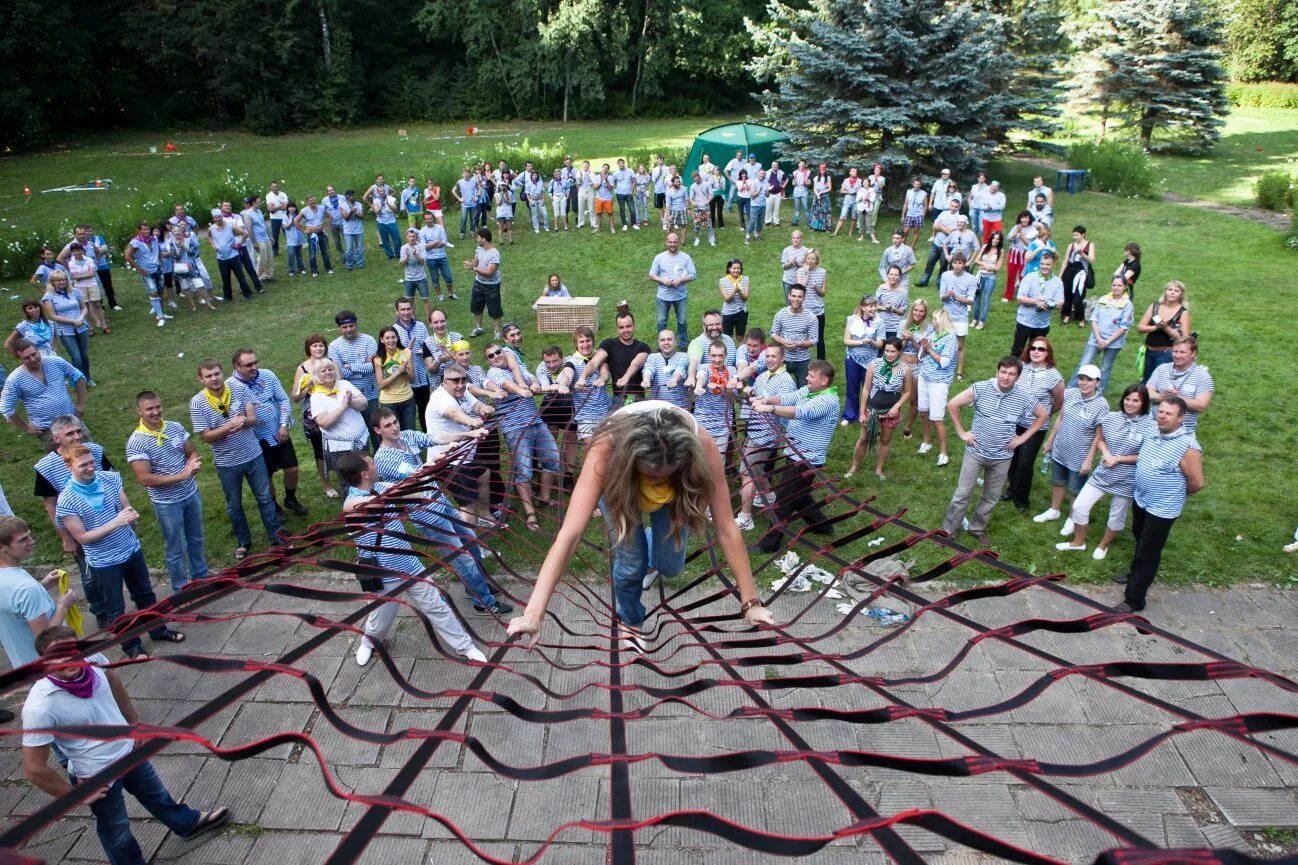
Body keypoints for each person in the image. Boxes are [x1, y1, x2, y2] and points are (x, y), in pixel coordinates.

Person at [506, 401, 775, 648]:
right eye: (651, 475)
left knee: (670, 565)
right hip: (621, 486)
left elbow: (727, 526)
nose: (656, 480)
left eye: (663, 475)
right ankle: (631, 620)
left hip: (678, 489)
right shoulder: (605, 450)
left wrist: (751, 603)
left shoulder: (701, 446)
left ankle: (648, 538)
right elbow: (570, 534)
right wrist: (533, 613)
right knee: (632, 562)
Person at [23, 626, 230, 862]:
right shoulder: (39, 706)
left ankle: (188, 824)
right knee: (117, 830)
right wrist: (74, 796)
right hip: (97, 775)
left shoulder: (94, 659)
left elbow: (113, 678)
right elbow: (34, 769)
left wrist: (134, 721)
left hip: (130, 751)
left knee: (157, 795)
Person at [335, 453, 489, 665]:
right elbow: (379, 502)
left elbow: (407, 490)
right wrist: (406, 490)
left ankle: (466, 646)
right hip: (382, 573)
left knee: (437, 606)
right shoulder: (351, 504)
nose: (375, 464)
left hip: (410, 565)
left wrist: (427, 472)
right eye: (371, 462)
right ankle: (368, 643)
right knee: (379, 621)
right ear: (364, 473)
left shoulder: (381, 487)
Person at [56, 446, 184, 657]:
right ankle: (131, 646)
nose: (90, 468)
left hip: (131, 549)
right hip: (104, 562)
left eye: (91, 462)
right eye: (83, 465)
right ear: (68, 466)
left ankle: (158, 630)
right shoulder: (67, 500)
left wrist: (130, 515)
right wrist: (116, 522)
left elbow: (126, 508)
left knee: (145, 595)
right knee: (115, 608)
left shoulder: (110, 479)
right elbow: (82, 538)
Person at [942, 358, 1047, 546]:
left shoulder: (1023, 396)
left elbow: (1043, 416)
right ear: (997, 371)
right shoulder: (981, 388)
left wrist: (1021, 439)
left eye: (1011, 373)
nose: (1006, 377)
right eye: (1003, 372)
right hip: (975, 451)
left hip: (1002, 457)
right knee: (962, 493)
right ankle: (949, 531)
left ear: (1018, 376)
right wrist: (961, 431)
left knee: (990, 496)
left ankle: (977, 528)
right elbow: (953, 404)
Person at [1113, 397, 1204, 613]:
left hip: (1162, 509)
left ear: (1180, 418)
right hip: (1142, 499)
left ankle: (1134, 599)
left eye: (1168, 413)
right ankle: (1135, 574)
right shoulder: (1153, 431)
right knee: (1139, 539)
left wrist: (1181, 493)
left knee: (1148, 551)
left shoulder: (1188, 447)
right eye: (1160, 411)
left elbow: (1197, 482)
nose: (1162, 416)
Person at [190, 358, 283, 560]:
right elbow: (205, 436)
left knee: (265, 497)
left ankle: (275, 535)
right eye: (208, 376)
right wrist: (228, 427)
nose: (214, 379)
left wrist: (244, 421)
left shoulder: (238, 389)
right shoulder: (198, 402)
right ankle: (243, 541)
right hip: (227, 462)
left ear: (222, 373)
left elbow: (253, 418)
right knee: (234, 505)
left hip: (253, 454)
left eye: (216, 373)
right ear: (201, 379)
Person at [750, 360, 840, 553]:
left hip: (806, 458)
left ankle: (769, 544)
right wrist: (766, 400)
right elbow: (789, 398)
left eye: (812, 376)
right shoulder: (810, 390)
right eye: (808, 374)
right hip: (796, 453)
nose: (807, 378)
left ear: (824, 380)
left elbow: (800, 412)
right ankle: (822, 525)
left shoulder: (827, 400)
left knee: (783, 501)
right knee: (800, 495)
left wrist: (770, 409)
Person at [1057, 384, 1155, 560]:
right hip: (1103, 472)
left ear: (1143, 403)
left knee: (1116, 516)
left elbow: (1147, 455)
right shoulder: (1111, 418)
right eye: (1127, 399)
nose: (1130, 403)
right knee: (1080, 506)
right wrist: (1107, 453)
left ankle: (1104, 545)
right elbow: (1100, 439)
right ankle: (1078, 542)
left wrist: (1118, 459)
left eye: (1135, 400)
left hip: (1128, 478)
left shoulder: (1151, 426)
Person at [127, 391, 208, 592]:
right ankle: (181, 587)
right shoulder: (136, 441)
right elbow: (144, 478)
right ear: (139, 411)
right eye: (149, 409)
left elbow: (192, 451)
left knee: (196, 538)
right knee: (176, 546)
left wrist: (193, 463)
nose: (155, 412)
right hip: (167, 503)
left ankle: (201, 577)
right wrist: (182, 475)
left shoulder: (175, 427)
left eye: (158, 407)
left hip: (191, 494)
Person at [229, 349, 304, 518]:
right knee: (266, 475)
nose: (254, 367)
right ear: (237, 366)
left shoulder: (267, 375)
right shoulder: (231, 387)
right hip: (255, 439)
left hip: (278, 432)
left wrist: (283, 424)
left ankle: (290, 499)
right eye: (248, 365)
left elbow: (283, 399)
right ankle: (275, 507)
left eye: (255, 363)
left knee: (292, 468)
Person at [1032, 366, 1110, 526]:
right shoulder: (1071, 393)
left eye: (1089, 379)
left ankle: (1072, 518)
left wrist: (1088, 460)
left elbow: (1099, 436)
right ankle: (1054, 510)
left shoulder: (1102, 405)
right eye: (1081, 378)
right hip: (1061, 448)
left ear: (1097, 382)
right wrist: (1050, 441)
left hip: (1080, 454)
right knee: (1058, 481)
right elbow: (1060, 418)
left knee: (1076, 489)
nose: (1084, 382)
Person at [423, 363, 496, 527]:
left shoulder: (462, 392)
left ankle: (485, 517)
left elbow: (475, 405)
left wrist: (484, 408)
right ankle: (470, 548)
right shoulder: (440, 398)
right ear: (444, 381)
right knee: (467, 503)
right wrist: (472, 421)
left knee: (483, 474)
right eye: (455, 381)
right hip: (447, 460)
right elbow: (454, 414)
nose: (460, 384)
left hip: (464, 455)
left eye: (463, 380)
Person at [733, 344, 796, 531]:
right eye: (767, 356)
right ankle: (769, 497)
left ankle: (745, 517)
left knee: (747, 474)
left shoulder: (786, 382)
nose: (769, 359)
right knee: (756, 470)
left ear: (782, 358)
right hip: (753, 431)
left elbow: (786, 405)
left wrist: (763, 401)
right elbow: (754, 401)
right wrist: (750, 394)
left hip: (767, 436)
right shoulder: (761, 377)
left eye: (773, 356)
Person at [1002, 337, 1065, 515]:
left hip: (1035, 426)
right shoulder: (1022, 368)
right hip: (1015, 422)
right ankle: (1012, 489)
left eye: (1041, 349)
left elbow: (1059, 401)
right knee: (1012, 457)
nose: (1036, 351)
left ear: (1047, 354)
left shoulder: (1054, 375)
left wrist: (1044, 415)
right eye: (1033, 348)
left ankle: (1022, 499)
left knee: (1025, 462)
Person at [846, 337, 913, 481]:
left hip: (891, 411)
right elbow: (866, 389)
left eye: (892, 352)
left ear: (900, 352)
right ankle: (854, 467)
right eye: (886, 351)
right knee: (864, 438)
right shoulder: (874, 365)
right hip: (872, 409)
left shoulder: (905, 369)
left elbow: (907, 392)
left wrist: (896, 407)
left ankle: (879, 469)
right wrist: (862, 412)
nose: (889, 354)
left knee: (885, 440)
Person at [1, 341, 86, 440]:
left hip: (73, 422)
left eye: (34, 354)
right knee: (62, 456)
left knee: (89, 452)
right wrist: (26, 428)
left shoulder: (56, 362)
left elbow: (78, 376)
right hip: (49, 432)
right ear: (19, 359)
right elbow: (6, 407)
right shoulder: (15, 379)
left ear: (38, 351)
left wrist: (81, 405)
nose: (32, 359)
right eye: (26, 358)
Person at [291, 334, 339, 500]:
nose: (318, 349)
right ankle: (326, 484)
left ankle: (345, 475)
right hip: (313, 415)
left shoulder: (331, 363)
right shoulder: (302, 369)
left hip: (333, 409)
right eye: (314, 346)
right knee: (320, 450)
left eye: (321, 345)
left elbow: (340, 382)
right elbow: (295, 397)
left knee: (339, 445)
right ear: (308, 349)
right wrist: (308, 388)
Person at [309, 359, 371, 485]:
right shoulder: (316, 397)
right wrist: (343, 406)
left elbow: (364, 404)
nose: (328, 372)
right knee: (349, 481)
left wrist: (350, 401)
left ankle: (370, 500)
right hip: (340, 449)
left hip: (361, 441)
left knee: (367, 474)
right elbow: (324, 422)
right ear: (317, 376)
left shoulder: (344, 384)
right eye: (323, 371)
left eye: (330, 369)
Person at [1073, 277, 1135, 395]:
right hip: (1096, 338)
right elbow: (1094, 319)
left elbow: (1124, 327)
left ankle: (1098, 393)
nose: (1116, 288)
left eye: (1119, 285)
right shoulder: (1103, 299)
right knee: (1083, 364)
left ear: (1125, 287)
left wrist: (1107, 342)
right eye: (1114, 285)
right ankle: (1072, 389)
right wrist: (1099, 338)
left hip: (1114, 342)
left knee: (1105, 368)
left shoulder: (1127, 305)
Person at [328, 310, 379, 442]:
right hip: (350, 398)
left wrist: (350, 366)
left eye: (351, 326)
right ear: (339, 328)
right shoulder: (334, 347)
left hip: (371, 394)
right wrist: (363, 365)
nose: (348, 329)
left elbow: (374, 367)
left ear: (356, 325)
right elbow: (341, 373)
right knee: (356, 434)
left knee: (376, 431)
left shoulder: (369, 340)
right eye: (344, 327)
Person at [915, 308, 957, 466]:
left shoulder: (950, 338)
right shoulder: (932, 334)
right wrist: (924, 348)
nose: (931, 321)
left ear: (941, 320)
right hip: (924, 377)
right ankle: (927, 441)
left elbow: (944, 362)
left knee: (937, 419)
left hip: (939, 382)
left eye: (934, 318)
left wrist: (929, 349)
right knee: (923, 412)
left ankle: (943, 452)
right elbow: (920, 357)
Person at [584, 307, 651, 405]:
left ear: (634, 326)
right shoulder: (608, 344)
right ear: (617, 328)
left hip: (639, 399)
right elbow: (594, 362)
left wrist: (625, 377)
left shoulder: (643, 347)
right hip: (618, 399)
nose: (625, 330)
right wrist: (582, 377)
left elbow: (635, 364)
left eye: (628, 326)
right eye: (621, 327)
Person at [1146, 336, 1213, 434]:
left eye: (1182, 352)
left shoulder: (1202, 376)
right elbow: (1147, 391)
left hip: (1183, 432)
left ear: (1193, 353)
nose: (1177, 355)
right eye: (1175, 351)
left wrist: (1177, 398)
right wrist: (1162, 397)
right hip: (1153, 427)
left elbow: (1201, 405)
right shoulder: (1162, 369)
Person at [39, 270, 91, 383]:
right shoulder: (48, 297)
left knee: (84, 355)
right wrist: (72, 321)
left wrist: (81, 318)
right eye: (58, 280)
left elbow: (84, 308)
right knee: (76, 358)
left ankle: (88, 378)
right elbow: (52, 316)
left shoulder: (75, 292)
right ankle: (79, 381)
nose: (62, 282)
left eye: (63, 279)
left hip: (81, 326)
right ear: (52, 282)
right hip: (65, 330)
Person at [1010, 250, 1063, 357]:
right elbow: (1020, 298)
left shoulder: (1057, 282)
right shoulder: (1030, 277)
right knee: (1017, 351)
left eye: (1047, 264)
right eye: (1042, 264)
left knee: (1035, 354)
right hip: (1025, 322)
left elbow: (1060, 303)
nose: (1044, 267)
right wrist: (1036, 302)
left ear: (1054, 265)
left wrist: (1049, 304)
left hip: (1042, 324)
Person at [841, 295, 884, 425]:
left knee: (869, 387)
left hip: (871, 361)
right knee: (852, 387)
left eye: (875, 305)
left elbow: (881, 344)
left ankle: (867, 413)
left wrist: (872, 343)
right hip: (853, 358)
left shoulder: (880, 322)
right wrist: (861, 342)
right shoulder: (852, 320)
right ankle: (850, 414)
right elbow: (846, 340)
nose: (873, 308)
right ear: (863, 307)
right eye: (870, 306)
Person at [1136, 281, 1191, 382]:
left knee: (1159, 383)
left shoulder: (1183, 312)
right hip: (1148, 350)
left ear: (1181, 294)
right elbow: (1140, 327)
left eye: (1176, 290)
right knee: (1145, 382)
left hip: (1166, 353)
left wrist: (1166, 327)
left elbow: (1184, 338)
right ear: (1165, 292)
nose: (1172, 292)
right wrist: (1156, 328)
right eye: (1170, 290)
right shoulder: (1155, 306)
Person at [649, 233, 697, 343]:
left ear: (678, 243)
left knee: (682, 321)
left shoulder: (685, 257)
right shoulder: (659, 258)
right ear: (666, 243)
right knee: (662, 322)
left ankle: (683, 342)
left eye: (675, 242)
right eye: (670, 242)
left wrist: (680, 280)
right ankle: (662, 343)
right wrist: (663, 280)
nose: (672, 244)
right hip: (663, 297)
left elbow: (694, 275)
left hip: (680, 296)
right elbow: (651, 275)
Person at [371, 326, 417, 436]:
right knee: (392, 435)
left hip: (407, 400)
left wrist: (405, 372)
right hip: (388, 403)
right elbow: (381, 385)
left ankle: (413, 453)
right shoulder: (378, 358)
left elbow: (413, 380)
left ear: (397, 338)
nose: (391, 340)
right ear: (382, 340)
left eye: (393, 337)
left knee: (410, 434)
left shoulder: (406, 353)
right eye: (387, 338)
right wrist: (397, 372)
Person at [123, 221, 172, 324]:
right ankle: (160, 317)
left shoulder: (154, 239)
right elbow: (127, 256)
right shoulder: (135, 242)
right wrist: (139, 268)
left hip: (158, 269)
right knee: (153, 292)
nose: (146, 231)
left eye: (148, 229)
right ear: (139, 230)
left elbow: (158, 250)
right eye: (144, 229)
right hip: (147, 271)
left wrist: (160, 261)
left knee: (160, 292)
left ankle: (162, 313)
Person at [770, 284, 818, 388]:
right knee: (780, 388)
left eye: (799, 297)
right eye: (794, 296)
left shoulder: (811, 317)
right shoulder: (780, 314)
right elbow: (773, 333)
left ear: (804, 298)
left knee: (803, 390)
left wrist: (798, 344)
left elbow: (814, 340)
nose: (796, 299)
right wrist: (783, 342)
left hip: (802, 361)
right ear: (789, 296)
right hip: (783, 359)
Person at [938, 253, 977, 380]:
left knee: (959, 346)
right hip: (947, 315)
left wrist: (956, 297)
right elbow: (941, 297)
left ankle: (959, 371)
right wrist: (948, 295)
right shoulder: (945, 275)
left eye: (960, 263)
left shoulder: (971, 279)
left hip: (961, 317)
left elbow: (971, 300)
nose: (957, 265)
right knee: (943, 342)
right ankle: (942, 366)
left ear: (964, 264)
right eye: (954, 262)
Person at [465, 227, 504, 339]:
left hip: (492, 285)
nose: (477, 239)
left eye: (478, 237)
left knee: (494, 309)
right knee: (476, 307)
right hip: (479, 283)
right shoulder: (479, 249)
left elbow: (489, 273)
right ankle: (478, 328)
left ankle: (497, 331)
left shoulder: (494, 254)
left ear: (484, 238)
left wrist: (474, 268)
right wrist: (470, 264)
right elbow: (476, 263)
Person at [917, 199, 961, 288]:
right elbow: (934, 226)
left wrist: (940, 226)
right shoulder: (943, 214)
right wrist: (944, 228)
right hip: (936, 243)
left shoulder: (959, 219)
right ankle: (923, 281)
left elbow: (951, 233)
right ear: (949, 205)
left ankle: (940, 283)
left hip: (948, 247)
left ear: (958, 207)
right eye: (952, 206)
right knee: (930, 263)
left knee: (943, 266)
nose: (953, 208)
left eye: (956, 207)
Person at [640, 329, 690, 408]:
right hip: (657, 408)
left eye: (669, 339)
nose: (666, 342)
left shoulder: (683, 356)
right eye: (662, 340)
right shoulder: (652, 357)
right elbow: (649, 369)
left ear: (675, 342)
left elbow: (681, 368)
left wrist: (674, 380)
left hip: (679, 408)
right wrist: (646, 379)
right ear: (659, 343)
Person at [1060, 225, 1096, 326]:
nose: (1075, 237)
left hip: (1081, 272)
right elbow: (1065, 261)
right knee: (1067, 294)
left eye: (1077, 235)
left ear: (1083, 234)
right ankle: (1066, 315)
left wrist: (1082, 254)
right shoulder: (1071, 245)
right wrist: (1061, 275)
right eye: (1073, 235)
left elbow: (1092, 260)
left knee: (1078, 296)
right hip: (1069, 271)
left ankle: (1080, 318)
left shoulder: (1090, 245)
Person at [796, 249, 829, 361]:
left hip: (817, 310)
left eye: (813, 259)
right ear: (805, 259)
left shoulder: (822, 272)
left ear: (817, 261)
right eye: (808, 258)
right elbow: (799, 289)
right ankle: (801, 359)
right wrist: (806, 273)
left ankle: (821, 362)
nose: (810, 261)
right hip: (803, 310)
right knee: (802, 336)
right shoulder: (800, 271)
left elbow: (823, 293)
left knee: (819, 338)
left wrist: (816, 288)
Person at [419, 207, 455, 304]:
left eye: (430, 218)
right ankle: (440, 296)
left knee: (448, 277)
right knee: (435, 278)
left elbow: (444, 241)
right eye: (427, 219)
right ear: (424, 220)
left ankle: (451, 294)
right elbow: (424, 247)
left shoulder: (440, 228)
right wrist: (437, 242)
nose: (429, 220)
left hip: (442, 256)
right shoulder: (422, 231)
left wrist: (431, 244)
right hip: (430, 259)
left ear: (433, 218)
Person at [969, 230, 1004, 331]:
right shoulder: (985, 247)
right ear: (991, 238)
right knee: (977, 297)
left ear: (999, 240)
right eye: (994, 238)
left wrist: (989, 268)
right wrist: (986, 265)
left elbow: (997, 268)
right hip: (980, 276)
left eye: (998, 239)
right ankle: (975, 319)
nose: (995, 240)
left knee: (986, 299)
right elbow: (976, 260)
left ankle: (982, 321)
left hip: (991, 278)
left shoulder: (1000, 251)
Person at [295, 194, 334, 276]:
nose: (313, 202)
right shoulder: (304, 211)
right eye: (310, 200)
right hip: (312, 234)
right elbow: (296, 221)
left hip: (321, 233)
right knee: (312, 253)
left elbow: (330, 217)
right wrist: (304, 230)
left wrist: (326, 227)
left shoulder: (321, 208)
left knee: (325, 252)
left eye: (313, 200)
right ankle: (314, 271)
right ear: (307, 202)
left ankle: (329, 268)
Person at [1003, 211, 1036, 303]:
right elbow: (1009, 238)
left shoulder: (1033, 229)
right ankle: (1008, 295)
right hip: (1014, 253)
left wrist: (1020, 233)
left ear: (1029, 219)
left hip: (1025, 254)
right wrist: (1015, 233)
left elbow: (1028, 243)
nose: (1024, 220)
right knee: (1011, 274)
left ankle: (1023, 295)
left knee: (1023, 275)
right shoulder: (1016, 227)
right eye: (1022, 218)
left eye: (1026, 218)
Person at [717, 259, 750, 340]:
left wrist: (739, 292)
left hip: (742, 312)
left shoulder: (745, 279)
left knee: (740, 337)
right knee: (727, 338)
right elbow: (727, 299)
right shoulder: (722, 281)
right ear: (729, 269)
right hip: (728, 313)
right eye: (733, 268)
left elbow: (745, 298)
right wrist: (734, 291)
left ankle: (740, 352)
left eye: (738, 268)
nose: (736, 270)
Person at [874, 265, 910, 340]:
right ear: (887, 275)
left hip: (894, 327)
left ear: (899, 277)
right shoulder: (881, 288)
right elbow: (875, 305)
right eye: (891, 274)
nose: (893, 277)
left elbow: (902, 312)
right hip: (880, 325)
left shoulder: (903, 292)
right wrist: (884, 308)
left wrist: (892, 308)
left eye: (896, 275)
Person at [339, 189, 366, 271]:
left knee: (360, 248)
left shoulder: (358, 204)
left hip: (359, 230)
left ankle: (360, 264)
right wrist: (351, 212)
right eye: (353, 196)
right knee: (349, 249)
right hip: (348, 231)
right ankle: (349, 265)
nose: (355, 197)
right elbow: (346, 218)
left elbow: (362, 216)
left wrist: (356, 213)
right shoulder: (342, 206)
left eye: (354, 195)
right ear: (348, 197)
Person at [688, 170, 715, 247]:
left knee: (709, 225)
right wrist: (693, 202)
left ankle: (711, 241)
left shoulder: (707, 184)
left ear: (699, 176)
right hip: (697, 209)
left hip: (706, 208)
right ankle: (697, 239)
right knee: (696, 225)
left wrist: (708, 201)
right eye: (694, 178)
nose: (695, 179)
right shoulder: (692, 186)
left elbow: (712, 195)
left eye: (696, 177)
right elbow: (690, 198)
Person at [833, 167, 861, 237]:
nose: (855, 172)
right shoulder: (846, 180)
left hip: (856, 200)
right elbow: (841, 190)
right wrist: (848, 192)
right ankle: (835, 233)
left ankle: (850, 233)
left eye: (856, 171)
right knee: (843, 215)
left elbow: (862, 190)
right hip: (847, 199)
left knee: (854, 217)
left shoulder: (860, 181)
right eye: (853, 171)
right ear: (850, 173)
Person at [282, 202, 306, 276]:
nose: (292, 208)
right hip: (290, 239)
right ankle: (291, 270)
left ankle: (301, 268)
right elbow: (285, 227)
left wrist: (298, 221)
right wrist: (292, 222)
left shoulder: (299, 215)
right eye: (290, 207)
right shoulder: (285, 216)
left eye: (293, 207)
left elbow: (302, 225)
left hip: (299, 238)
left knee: (299, 254)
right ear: (287, 208)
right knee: (291, 254)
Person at [746, 168, 768, 242]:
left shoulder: (766, 182)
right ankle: (748, 236)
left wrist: (769, 191)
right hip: (755, 206)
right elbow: (752, 195)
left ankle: (756, 235)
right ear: (758, 174)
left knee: (760, 222)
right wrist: (759, 190)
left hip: (763, 205)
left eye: (763, 174)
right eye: (761, 173)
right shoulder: (754, 182)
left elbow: (767, 195)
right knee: (752, 221)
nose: (762, 175)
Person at [810, 163, 833, 232]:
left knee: (825, 211)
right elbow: (814, 188)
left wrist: (822, 192)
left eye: (823, 170)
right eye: (821, 170)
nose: (822, 171)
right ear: (819, 170)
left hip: (825, 196)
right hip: (817, 196)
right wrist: (817, 194)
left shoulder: (828, 178)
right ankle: (815, 227)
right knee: (816, 211)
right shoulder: (816, 178)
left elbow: (829, 188)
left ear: (825, 170)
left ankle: (826, 227)